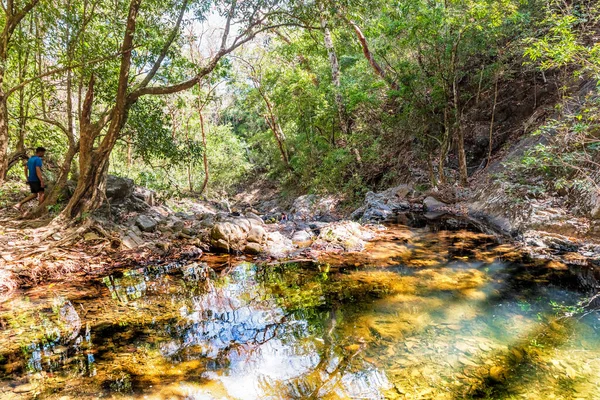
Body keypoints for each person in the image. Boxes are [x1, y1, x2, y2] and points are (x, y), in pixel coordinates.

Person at [14, 147, 46, 212]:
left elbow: (25, 168)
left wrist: (27, 177)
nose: (43, 154)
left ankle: (19, 204)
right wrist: (41, 180)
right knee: (41, 194)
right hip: (36, 179)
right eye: (43, 153)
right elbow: (38, 170)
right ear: (40, 152)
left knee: (35, 195)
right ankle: (39, 210)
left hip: (31, 179)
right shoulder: (38, 159)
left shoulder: (30, 159)